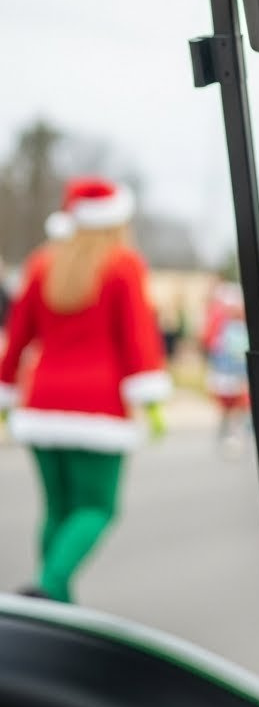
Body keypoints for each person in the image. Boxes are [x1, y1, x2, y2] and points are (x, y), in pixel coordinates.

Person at [0, 177, 171, 603]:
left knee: (58, 509)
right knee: (98, 508)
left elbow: (17, 338)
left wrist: (5, 392)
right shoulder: (122, 264)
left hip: (41, 400)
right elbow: (138, 338)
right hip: (99, 404)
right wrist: (150, 402)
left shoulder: (42, 264)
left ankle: (55, 604)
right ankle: (49, 587)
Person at [199, 279, 251, 453]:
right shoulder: (220, 323)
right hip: (224, 370)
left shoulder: (243, 325)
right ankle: (226, 432)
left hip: (239, 370)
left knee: (239, 405)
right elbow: (209, 343)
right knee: (226, 405)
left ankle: (235, 433)